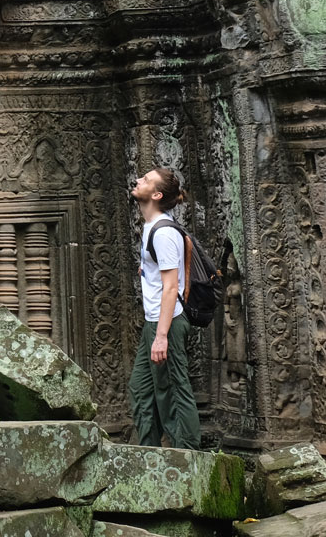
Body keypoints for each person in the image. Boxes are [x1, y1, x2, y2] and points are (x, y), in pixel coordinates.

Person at [128, 166, 200, 447]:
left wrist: (161, 336)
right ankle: (148, 453)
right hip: (154, 322)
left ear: (156, 194)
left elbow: (172, 288)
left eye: (145, 180)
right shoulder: (151, 227)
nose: (138, 180)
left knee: (174, 392)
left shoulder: (163, 233)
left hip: (165, 324)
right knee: (141, 389)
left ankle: (190, 460)